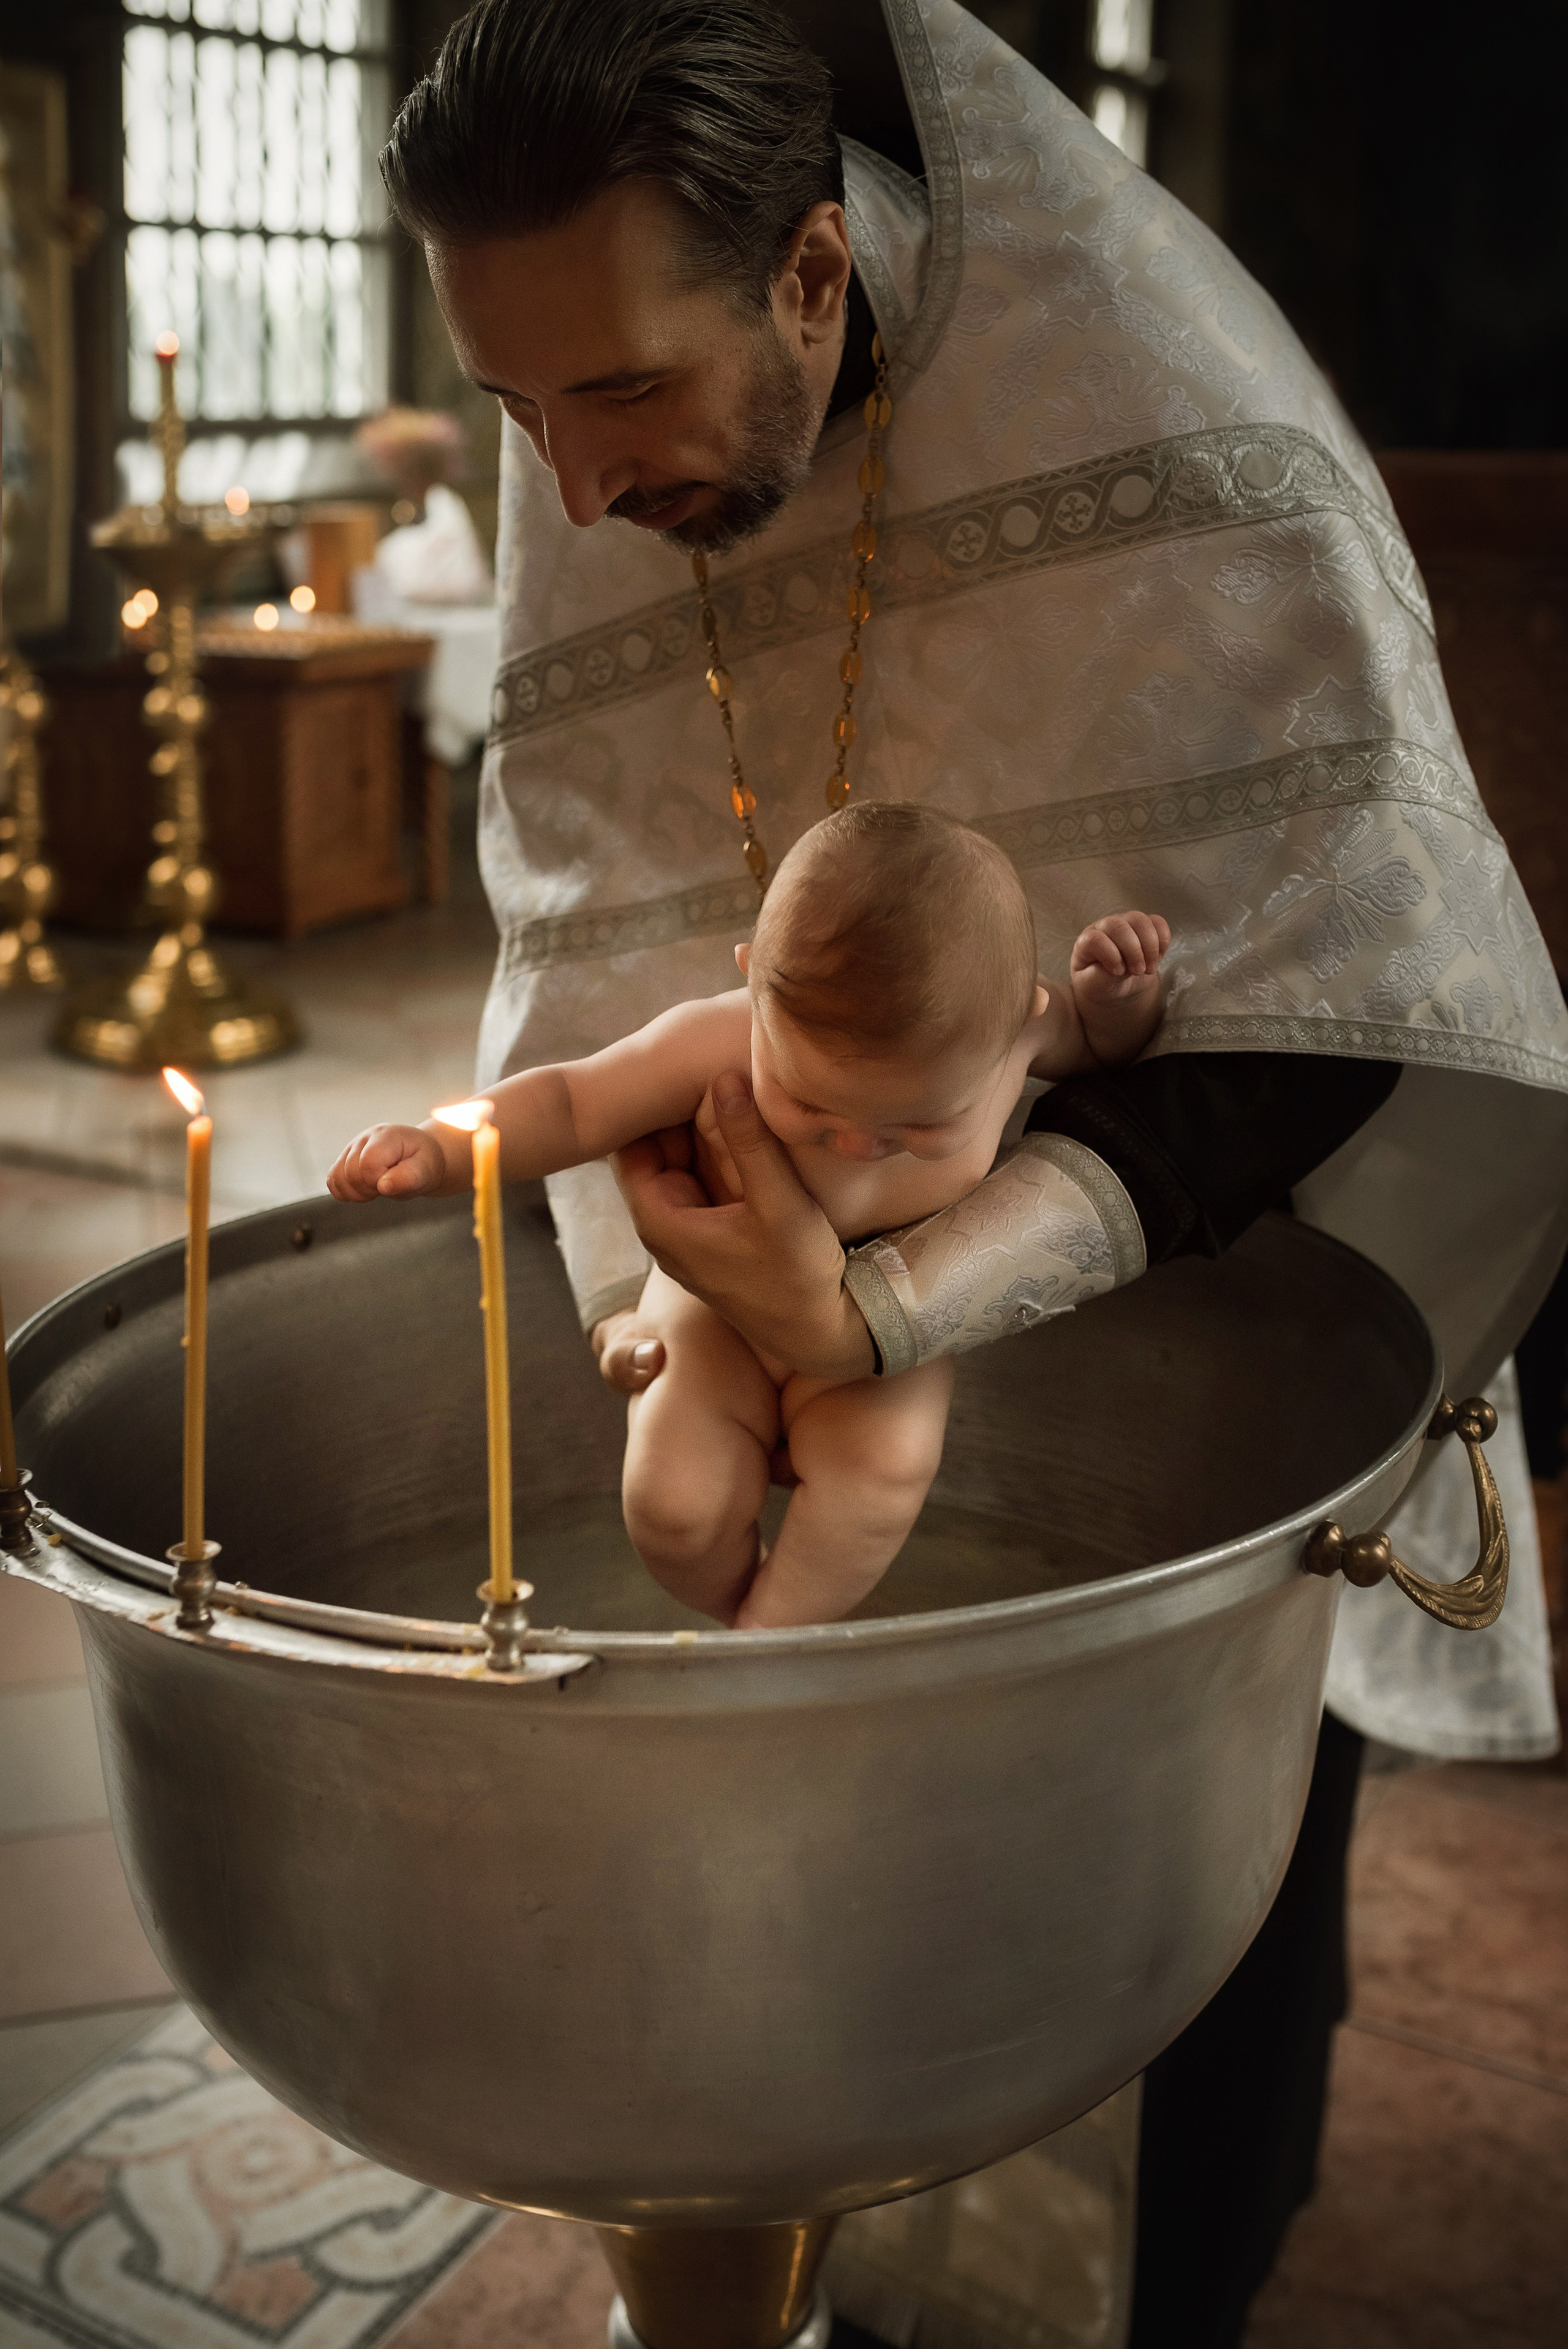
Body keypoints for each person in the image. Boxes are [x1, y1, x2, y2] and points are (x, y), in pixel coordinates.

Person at [380, 1, 1567, 2337]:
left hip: (1187, 1336)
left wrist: (903, 1303)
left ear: (814, 273)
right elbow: (611, 919)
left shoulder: (1178, 419)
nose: (574, 495)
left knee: (1166, 1973)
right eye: (519, 409)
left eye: (615, 390)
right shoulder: (585, 438)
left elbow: (1335, 998)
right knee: (802, 1920)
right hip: (790, 1291)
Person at [330, 804, 1170, 1626]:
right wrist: (441, 1147)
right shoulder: (720, 1039)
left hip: (891, 1320)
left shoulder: (1018, 1031)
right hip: (717, 1308)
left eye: (920, 1125)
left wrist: (1113, 999)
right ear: (751, 985)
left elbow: (1104, 1057)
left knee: (881, 1475)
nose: (858, 1145)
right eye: (809, 1104)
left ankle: (769, 1641)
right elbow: (575, 1102)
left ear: (1021, 1019)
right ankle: (721, 1604)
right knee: (673, 1507)